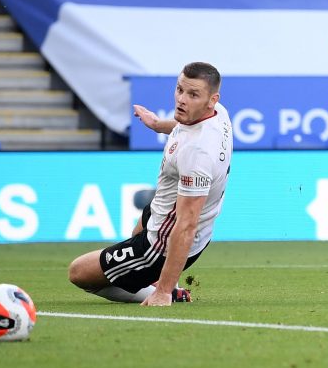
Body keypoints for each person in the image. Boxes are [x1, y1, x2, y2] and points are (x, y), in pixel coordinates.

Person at [68, 62, 233, 306]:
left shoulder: (198, 154)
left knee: (79, 272)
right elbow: (183, 126)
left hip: (162, 243)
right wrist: (158, 125)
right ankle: (152, 279)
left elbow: (186, 225)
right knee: (138, 229)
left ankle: (166, 291)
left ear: (211, 99)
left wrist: (164, 291)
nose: (182, 99)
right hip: (163, 211)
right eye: (179, 90)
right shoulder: (218, 112)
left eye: (192, 94)